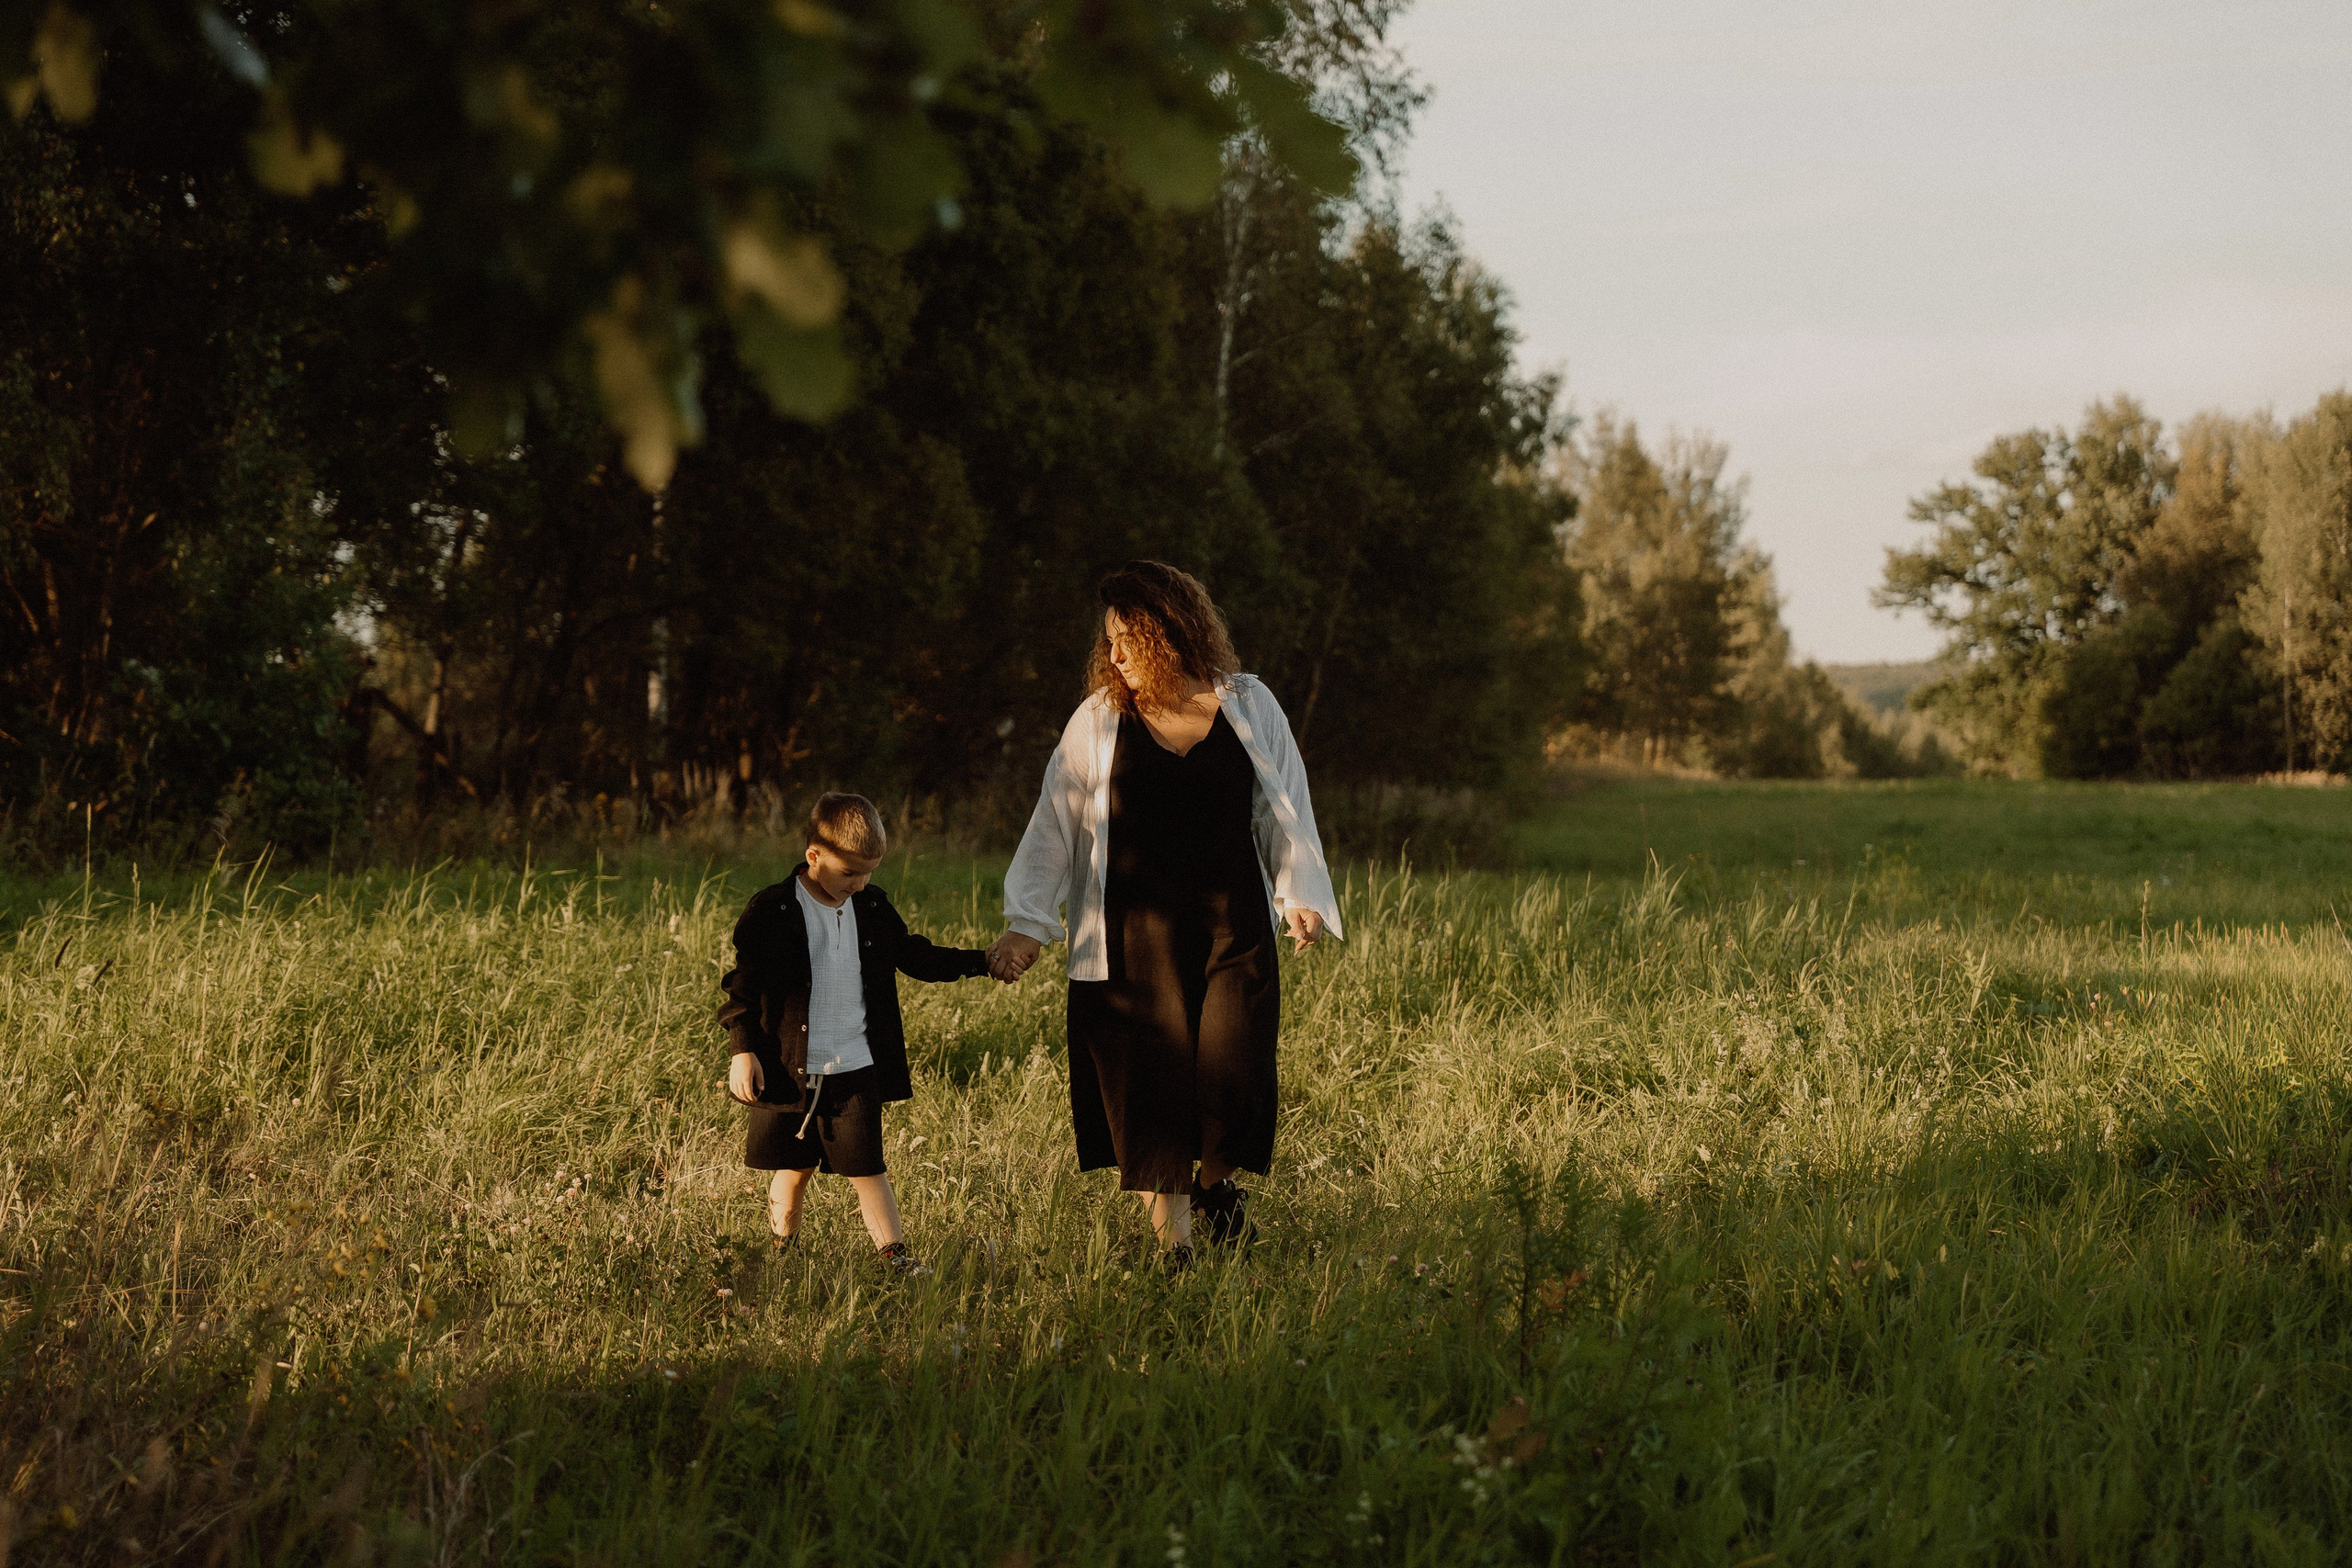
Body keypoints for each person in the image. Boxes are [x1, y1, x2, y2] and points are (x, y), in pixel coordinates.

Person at [989, 561, 1343, 1266]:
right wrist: (1029, 922)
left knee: (1234, 1069)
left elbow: (1285, 806)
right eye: (1109, 640)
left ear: (1170, 633)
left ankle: (1216, 1190)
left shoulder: (1247, 703)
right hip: (1130, 935)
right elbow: (1054, 822)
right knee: (1149, 1087)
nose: (1113, 654)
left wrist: (1298, 893)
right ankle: (1176, 1250)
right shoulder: (1099, 718)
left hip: (1231, 923)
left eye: (1128, 638)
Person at [718, 791, 996, 1274]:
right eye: (850, 872)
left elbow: (915, 956)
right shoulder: (773, 910)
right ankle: (782, 1250)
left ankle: (897, 1258)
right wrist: (743, 1051)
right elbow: (741, 986)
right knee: (796, 1167)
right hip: (789, 1068)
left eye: (869, 872)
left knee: (868, 1168)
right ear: (814, 856)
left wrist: (981, 962)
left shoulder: (870, 906)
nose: (860, 882)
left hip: (855, 1066)